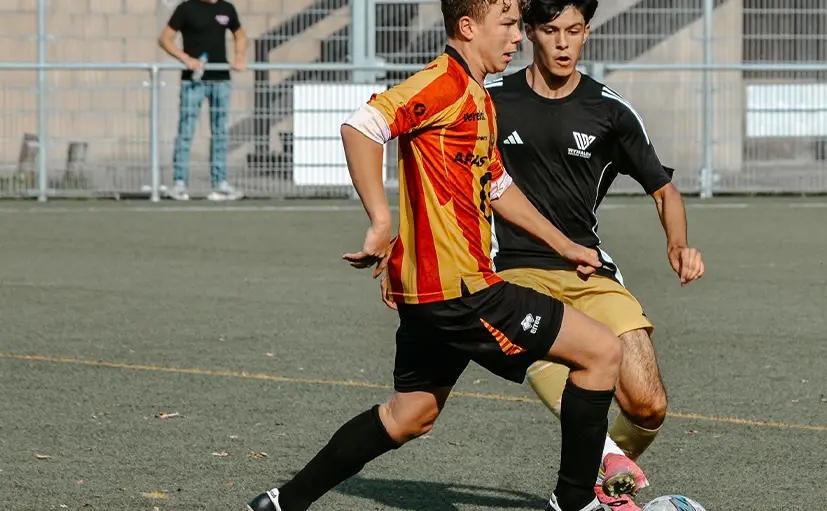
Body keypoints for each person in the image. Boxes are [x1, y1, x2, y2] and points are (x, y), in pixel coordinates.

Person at [246, 1, 626, 510]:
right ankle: (577, 503)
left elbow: (497, 184)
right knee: (602, 353)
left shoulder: (477, 96)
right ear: (468, 28)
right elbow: (362, 126)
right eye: (508, 25)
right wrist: (381, 220)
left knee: (410, 415)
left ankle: (283, 501)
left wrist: (566, 245)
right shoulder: (442, 83)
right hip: (463, 290)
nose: (518, 37)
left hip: (432, 292)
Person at [485, 0, 705, 508]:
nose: (563, 44)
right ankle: (600, 462)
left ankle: (602, 475)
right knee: (553, 349)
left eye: (574, 31)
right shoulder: (488, 100)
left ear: (586, 32)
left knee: (648, 404)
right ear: (531, 34)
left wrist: (677, 244)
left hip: (588, 267)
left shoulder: (611, 110)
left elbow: (664, 189)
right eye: (551, 31)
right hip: (513, 268)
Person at [158, 0, 247, 201]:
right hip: (193, 81)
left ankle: (220, 184)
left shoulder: (227, 8)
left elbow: (240, 34)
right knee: (186, 131)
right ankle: (180, 183)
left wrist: (240, 56)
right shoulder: (186, 9)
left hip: (221, 80)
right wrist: (186, 59)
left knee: (220, 133)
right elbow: (165, 39)